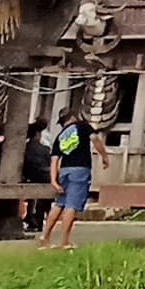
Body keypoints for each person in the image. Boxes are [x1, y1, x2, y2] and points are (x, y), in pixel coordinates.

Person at [39, 108, 95, 251]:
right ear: (74, 116)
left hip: (64, 171)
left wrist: (53, 180)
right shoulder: (83, 126)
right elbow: (95, 139)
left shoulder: (60, 136)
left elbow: (54, 160)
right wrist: (105, 157)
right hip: (80, 169)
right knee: (72, 205)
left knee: (59, 204)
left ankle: (44, 236)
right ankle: (64, 241)